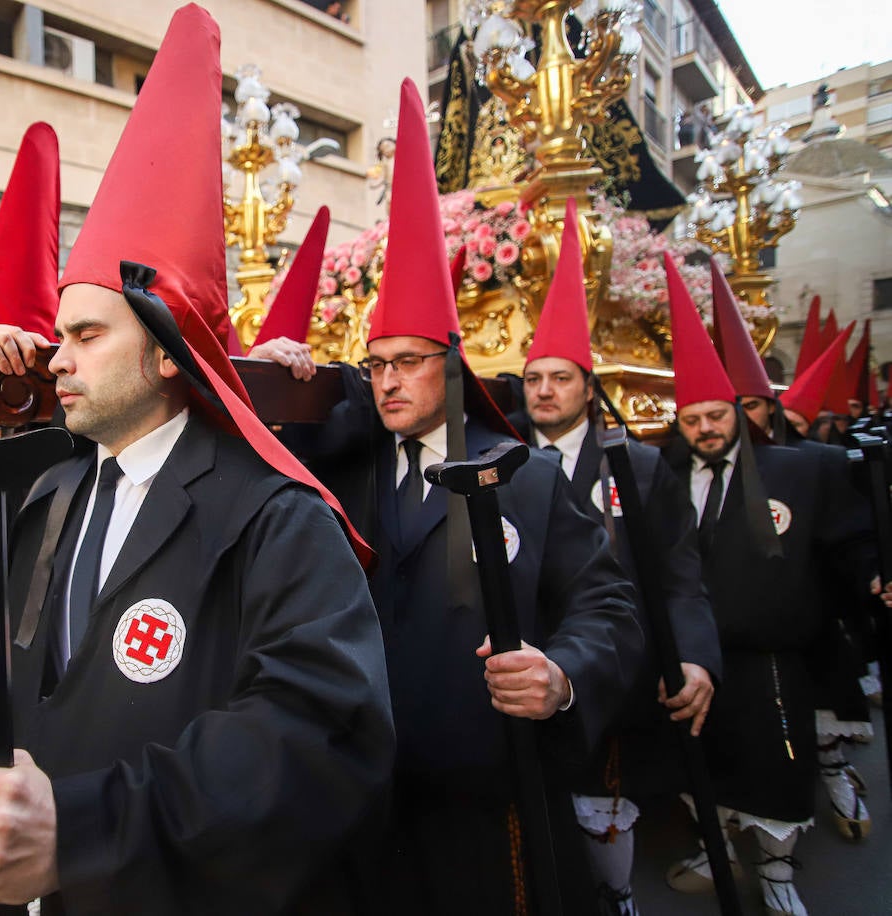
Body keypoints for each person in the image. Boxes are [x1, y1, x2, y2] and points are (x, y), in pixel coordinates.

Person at [0, 9, 394, 913]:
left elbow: (319, 736)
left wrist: (82, 825)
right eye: (58, 336)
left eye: (85, 335)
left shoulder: (274, 513)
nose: (57, 360)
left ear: (170, 351)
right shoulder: (54, 492)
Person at [284, 81, 641, 914]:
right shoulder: (347, 474)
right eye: (376, 365)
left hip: (493, 795)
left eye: (409, 361)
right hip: (366, 792)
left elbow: (609, 607)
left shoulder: (529, 478)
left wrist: (564, 672)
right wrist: (291, 376)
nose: (388, 381)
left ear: (450, 367)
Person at [660, 255, 881, 916]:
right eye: (692, 417)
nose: (706, 428)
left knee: (776, 770)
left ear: (742, 412)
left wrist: (876, 575)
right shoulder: (659, 478)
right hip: (696, 657)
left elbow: (848, 543)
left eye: (718, 414)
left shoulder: (803, 472)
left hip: (775, 660)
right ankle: (714, 849)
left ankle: (778, 872)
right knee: (702, 767)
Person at [516, 202, 719, 915]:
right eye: (533, 377)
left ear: (587, 385)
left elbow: (678, 571)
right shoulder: (499, 466)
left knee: (606, 804)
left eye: (560, 378)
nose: (543, 390)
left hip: (614, 671)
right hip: (524, 671)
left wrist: (695, 657)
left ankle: (618, 894)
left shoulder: (635, 465)